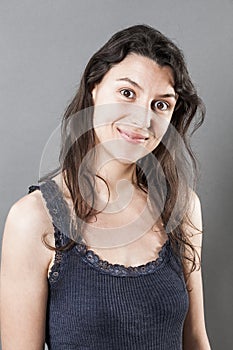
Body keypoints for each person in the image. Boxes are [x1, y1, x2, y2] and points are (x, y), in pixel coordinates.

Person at [0, 24, 211, 349]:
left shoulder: (182, 208)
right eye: (127, 93)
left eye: (161, 104)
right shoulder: (32, 220)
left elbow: (196, 340)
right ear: (94, 87)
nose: (142, 120)